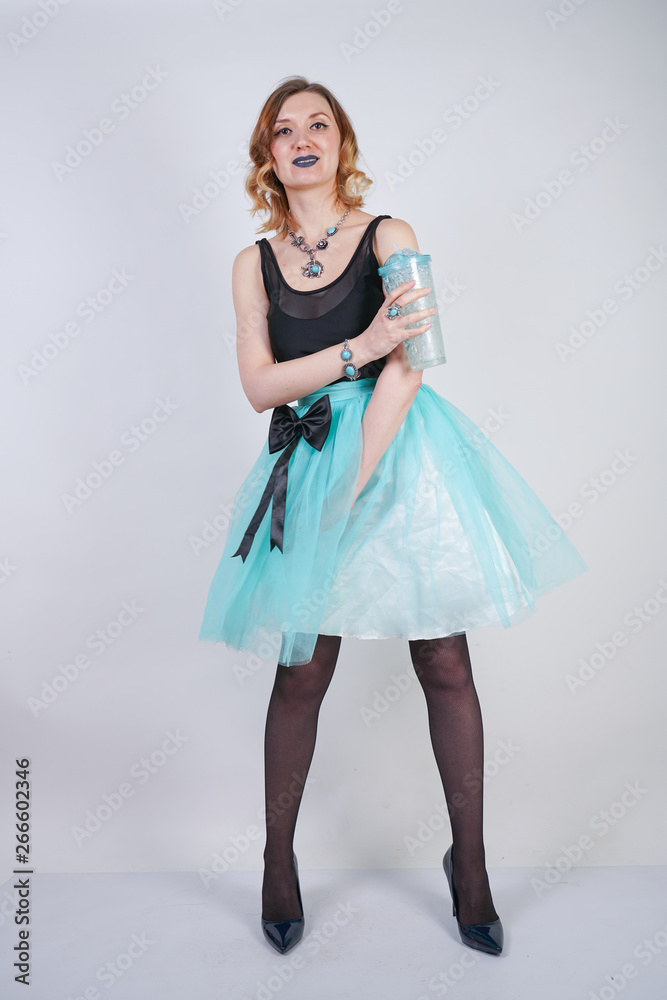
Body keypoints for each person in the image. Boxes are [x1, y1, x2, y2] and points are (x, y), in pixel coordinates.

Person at [199, 76, 588, 958]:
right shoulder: (251, 261)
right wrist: (356, 349)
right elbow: (260, 385)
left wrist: (356, 476)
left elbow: (413, 365)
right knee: (302, 666)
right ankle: (276, 862)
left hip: (401, 454)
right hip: (307, 458)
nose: (302, 139)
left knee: (443, 659)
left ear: (342, 144)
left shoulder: (390, 235)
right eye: (284, 130)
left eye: (319, 125)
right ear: (267, 155)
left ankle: (473, 869)